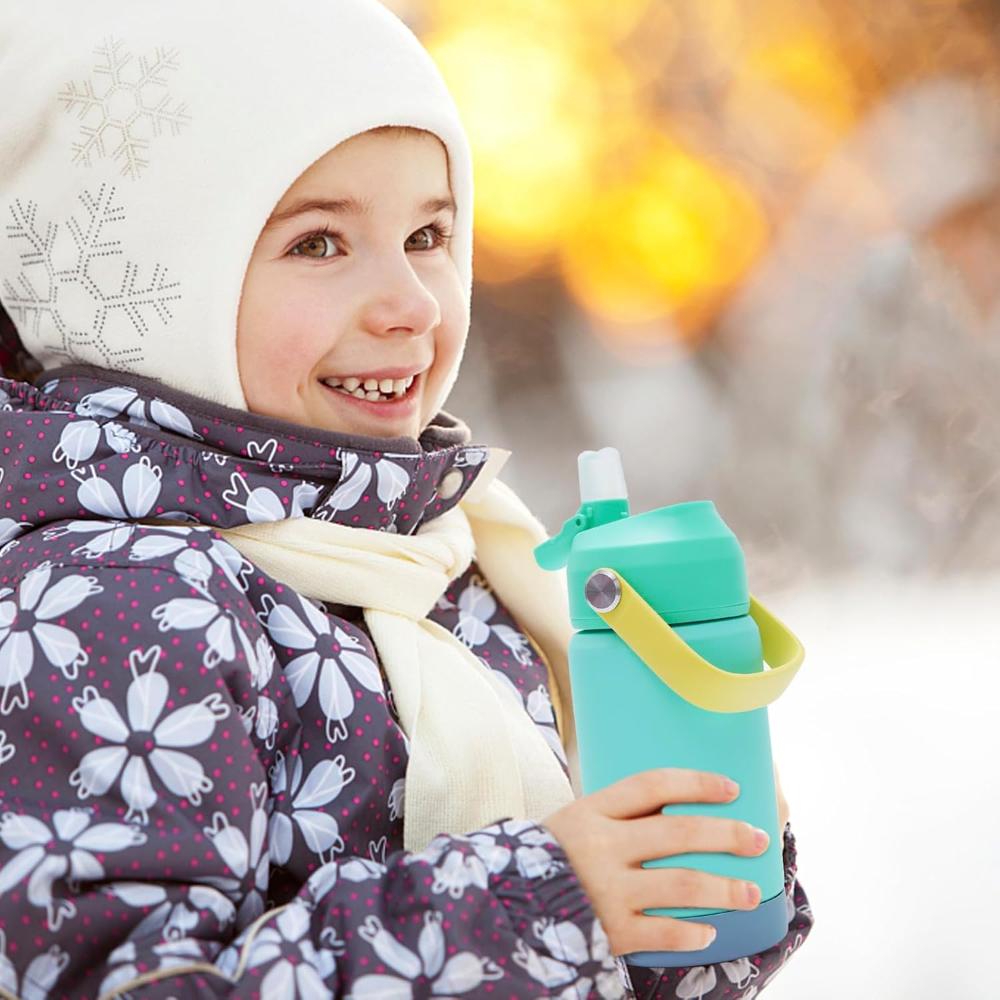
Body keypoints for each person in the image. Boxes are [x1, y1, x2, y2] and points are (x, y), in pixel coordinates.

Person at [0, 1, 813, 996]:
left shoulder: (448, 557)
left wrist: (686, 885)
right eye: (319, 245)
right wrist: (534, 909)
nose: (413, 304)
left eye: (429, 233)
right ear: (156, 279)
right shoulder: (105, 605)